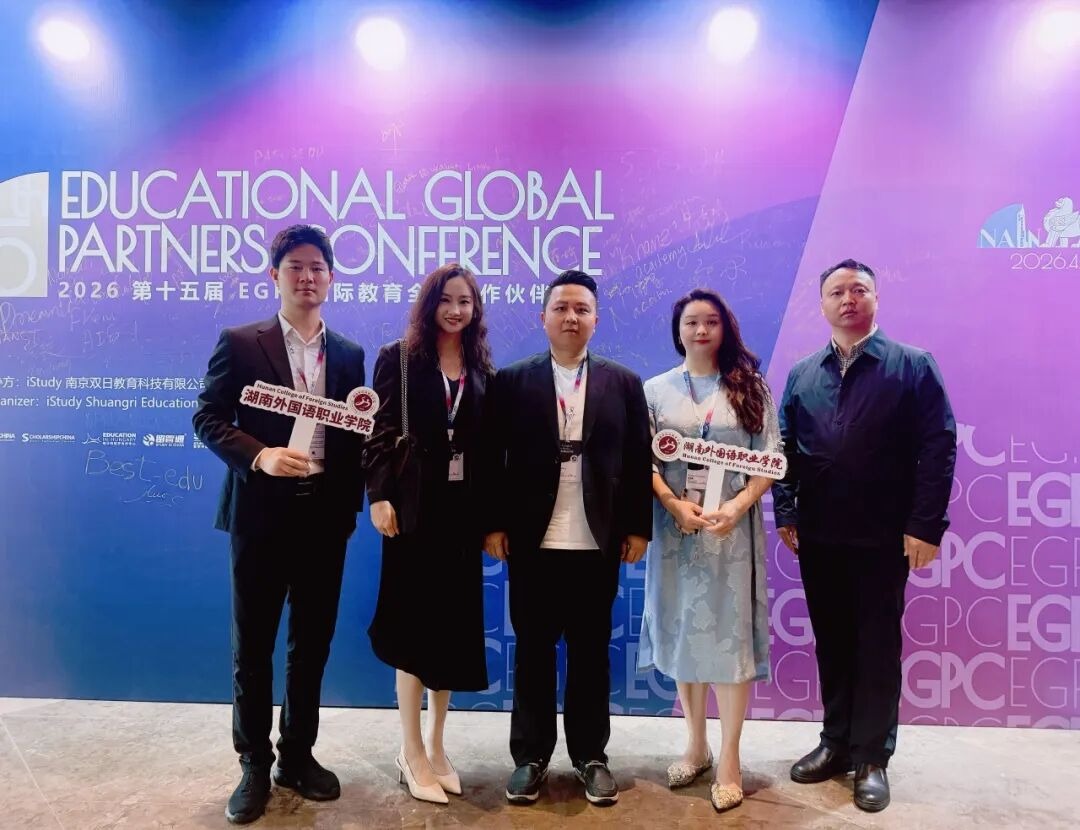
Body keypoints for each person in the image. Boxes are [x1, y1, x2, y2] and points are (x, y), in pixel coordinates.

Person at [193, 224, 366, 824]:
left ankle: (297, 755)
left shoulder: (348, 354)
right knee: (254, 647)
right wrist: (259, 455)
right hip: (260, 515)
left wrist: (353, 506)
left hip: (324, 518)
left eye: (318, 267)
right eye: (296, 266)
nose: (307, 276)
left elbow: (353, 436)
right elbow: (208, 418)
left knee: (311, 645)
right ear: (275, 275)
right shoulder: (242, 343)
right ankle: (253, 764)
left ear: (331, 278)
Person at [772, 259, 956, 813]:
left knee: (875, 644)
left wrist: (924, 525)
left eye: (859, 290)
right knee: (831, 640)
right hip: (819, 533)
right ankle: (836, 743)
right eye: (836, 291)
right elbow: (785, 448)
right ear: (822, 304)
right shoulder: (803, 373)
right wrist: (787, 511)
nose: (847, 299)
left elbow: (938, 446)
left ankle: (872, 756)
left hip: (884, 534)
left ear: (875, 298)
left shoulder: (912, 365)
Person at [482, 269, 652, 807]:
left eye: (581, 309)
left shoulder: (623, 383)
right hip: (533, 539)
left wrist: (638, 527)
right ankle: (530, 758)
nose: (571, 317)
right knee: (532, 652)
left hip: (597, 540)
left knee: (591, 654)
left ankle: (590, 756)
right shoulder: (513, 381)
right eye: (561, 308)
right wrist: (493, 523)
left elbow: (638, 459)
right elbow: (490, 457)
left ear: (596, 319)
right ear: (544, 318)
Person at [638, 288, 779, 813]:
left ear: (725, 328)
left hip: (729, 535)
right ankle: (695, 745)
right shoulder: (655, 390)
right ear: (677, 330)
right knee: (682, 636)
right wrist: (673, 504)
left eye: (711, 322)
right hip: (677, 531)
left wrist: (738, 506)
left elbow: (771, 456)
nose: (701, 331)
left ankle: (730, 760)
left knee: (728, 642)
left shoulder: (750, 387)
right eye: (692, 322)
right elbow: (643, 460)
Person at [364, 264, 493, 804]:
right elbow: (377, 431)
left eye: (465, 301)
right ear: (429, 303)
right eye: (446, 300)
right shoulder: (397, 358)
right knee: (413, 630)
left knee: (452, 631)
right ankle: (411, 751)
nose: (455, 310)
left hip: (461, 517)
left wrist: (491, 521)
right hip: (412, 512)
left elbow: (488, 449)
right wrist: (379, 496)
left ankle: (438, 747)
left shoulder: (482, 367)